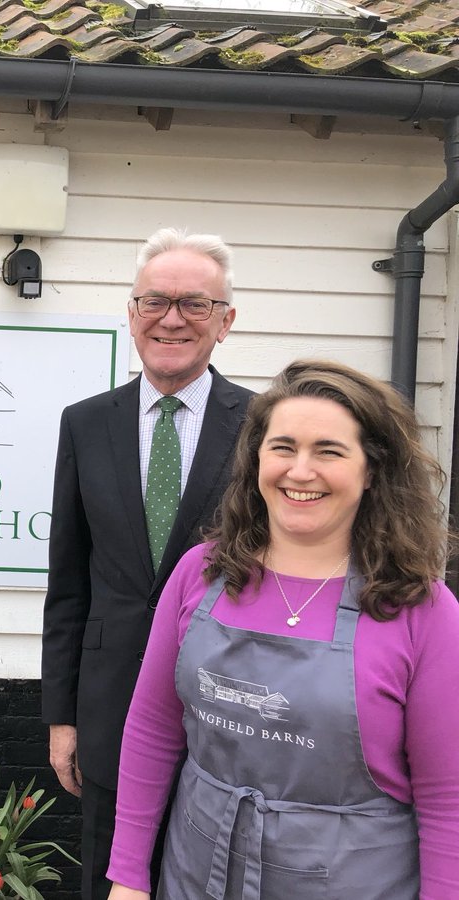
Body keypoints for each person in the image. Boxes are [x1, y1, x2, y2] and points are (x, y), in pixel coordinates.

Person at [107, 359, 459, 899]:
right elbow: (153, 728)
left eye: (330, 451)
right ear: (255, 461)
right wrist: (128, 877)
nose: (300, 470)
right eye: (284, 447)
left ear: (372, 470)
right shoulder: (202, 573)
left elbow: (447, 797)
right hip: (198, 873)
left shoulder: (419, 607)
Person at [41, 227, 253, 900]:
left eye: (194, 303)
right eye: (155, 301)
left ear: (225, 322)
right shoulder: (85, 423)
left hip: (229, 712)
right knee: (110, 880)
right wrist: (62, 715)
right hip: (111, 707)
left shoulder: (264, 425)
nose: (172, 318)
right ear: (131, 315)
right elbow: (68, 580)